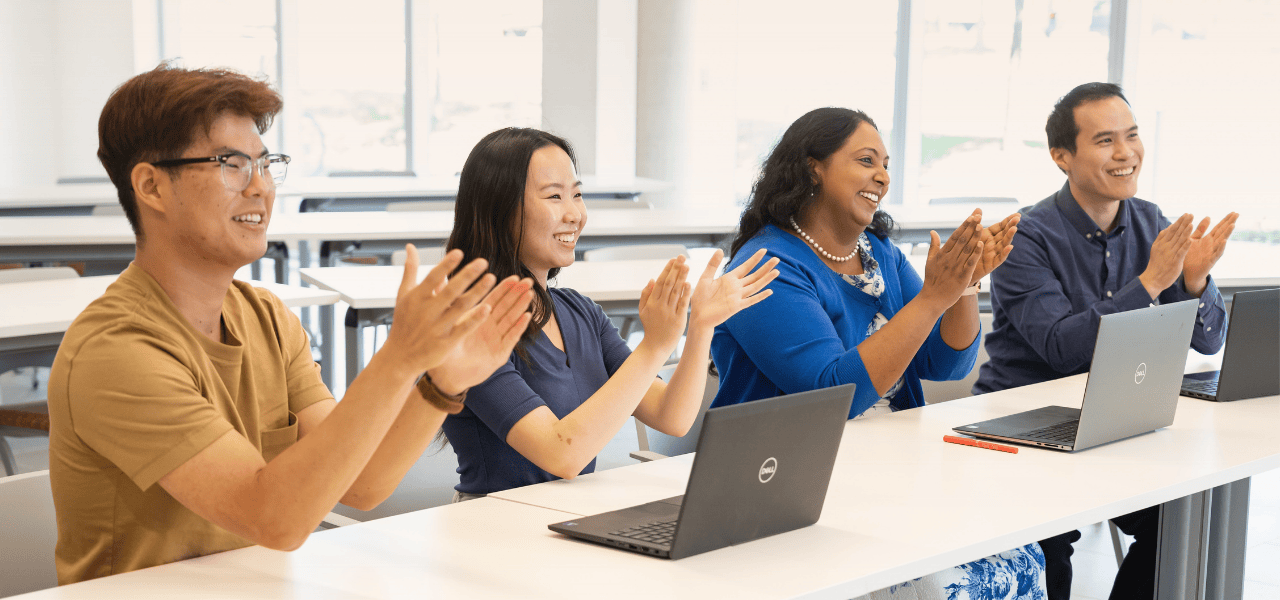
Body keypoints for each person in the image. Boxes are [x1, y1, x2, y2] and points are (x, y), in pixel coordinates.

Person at [47, 64, 535, 585]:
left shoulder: (266, 318)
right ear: (151, 186)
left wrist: (442, 382)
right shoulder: (115, 349)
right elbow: (272, 519)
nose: (260, 188)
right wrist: (400, 358)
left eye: (265, 164)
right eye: (231, 164)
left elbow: (363, 484)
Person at [711, 107, 1043, 598]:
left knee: (1022, 554)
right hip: (789, 485)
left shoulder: (877, 252)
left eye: (885, 163)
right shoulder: (767, 266)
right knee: (948, 582)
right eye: (866, 160)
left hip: (889, 470)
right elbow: (833, 392)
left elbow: (945, 364)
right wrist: (933, 297)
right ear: (812, 168)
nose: (882, 175)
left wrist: (965, 284)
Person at [972, 82, 1235, 600]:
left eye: (1133, 136)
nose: (1126, 153)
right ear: (1061, 157)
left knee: (1179, 522)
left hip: (1114, 422)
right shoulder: (1025, 236)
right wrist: (1153, 283)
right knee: (1047, 551)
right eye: (1106, 140)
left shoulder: (1151, 221)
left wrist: (1197, 280)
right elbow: (1061, 349)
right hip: (1025, 427)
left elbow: (1209, 340)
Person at [439, 127, 779, 499]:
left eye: (578, 195)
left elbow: (671, 416)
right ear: (499, 208)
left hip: (568, 515)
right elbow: (561, 455)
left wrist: (700, 327)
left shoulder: (579, 312)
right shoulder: (472, 327)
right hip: (493, 528)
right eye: (554, 196)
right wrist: (654, 346)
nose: (575, 214)